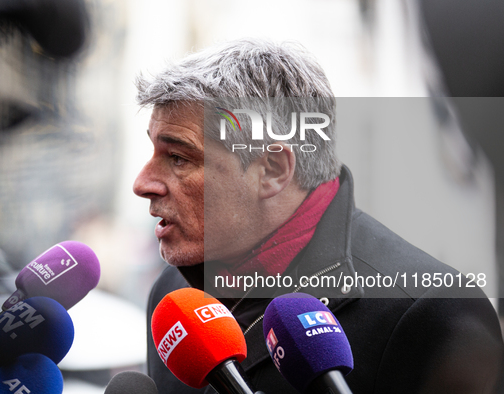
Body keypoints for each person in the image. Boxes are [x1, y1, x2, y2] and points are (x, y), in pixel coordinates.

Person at [133, 38, 504, 393]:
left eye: (178, 158)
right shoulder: (173, 299)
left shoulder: (433, 314)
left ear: (274, 169)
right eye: (153, 151)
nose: (142, 182)